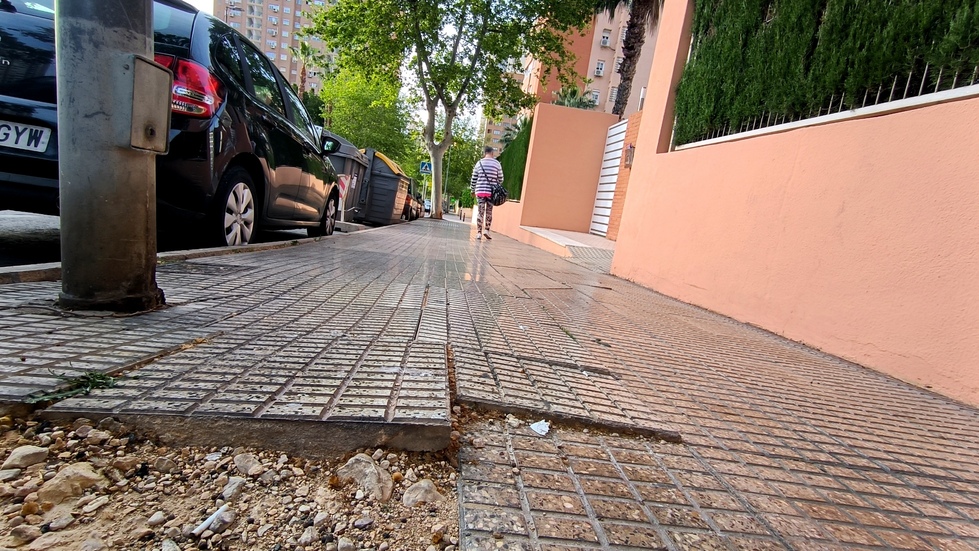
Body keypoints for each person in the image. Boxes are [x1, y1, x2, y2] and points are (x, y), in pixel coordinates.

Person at [469, 146, 503, 240]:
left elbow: (474, 179)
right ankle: (487, 230)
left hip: (480, 191)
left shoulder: (479, 163)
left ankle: (479, 233)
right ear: (492, 153)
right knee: (489, 211)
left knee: (480, 212)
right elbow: (501, 178)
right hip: (491, 192)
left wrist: (472, 190)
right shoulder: (497, 164)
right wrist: (495, 183)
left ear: (484, 153)